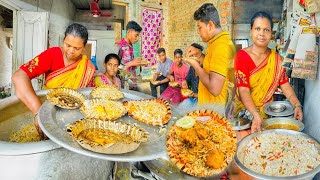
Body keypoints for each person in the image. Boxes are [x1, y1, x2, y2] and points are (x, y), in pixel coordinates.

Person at [12, 23, 95, 138]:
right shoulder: (53, 54)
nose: (71, 51)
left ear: (84, 47)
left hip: (74, 119)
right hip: (46, 110)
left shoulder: (87, 67)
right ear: (63, 41)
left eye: (77, 48)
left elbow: (88, 96)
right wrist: (38, 112)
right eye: (67, 45)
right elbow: (19, 77)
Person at [234, 11, 303, 134]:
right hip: (246, 114)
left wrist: (296, 105)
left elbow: (285, 84)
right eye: (257, 29)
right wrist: (255, 114)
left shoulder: (276, 58)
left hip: (268, 114)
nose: (261, 33)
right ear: (251, 31)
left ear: (271, 33)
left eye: (266, 30)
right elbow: (243, 90)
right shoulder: (242, 56)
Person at [184, 3, 236, 110]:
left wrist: (196, 65)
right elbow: (213, 67)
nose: (198, 32)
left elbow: (215, 88)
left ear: (210, 25)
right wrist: (199, 55)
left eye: (200, 27)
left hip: (214, 110)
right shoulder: (215, 42)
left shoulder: (221, 46)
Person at [117, 21, 143, 90]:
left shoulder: (130, 46)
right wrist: (132, 63)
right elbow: (117, 68)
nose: (137, 39)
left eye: (138, 36)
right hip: (124, 85)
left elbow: (129, 65)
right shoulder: (121, 46)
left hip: (131, 82)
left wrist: (136, 63)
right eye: (136, 35)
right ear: (128, 32)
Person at [179, 43, 205, 110]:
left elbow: (211, 94)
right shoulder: (193, 66)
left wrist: (195, 95)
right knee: (181, 108)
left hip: (204, 101)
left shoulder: (207, 68)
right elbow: (187, 78)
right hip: (193, 99)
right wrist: (185, 81)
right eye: (192, 56)